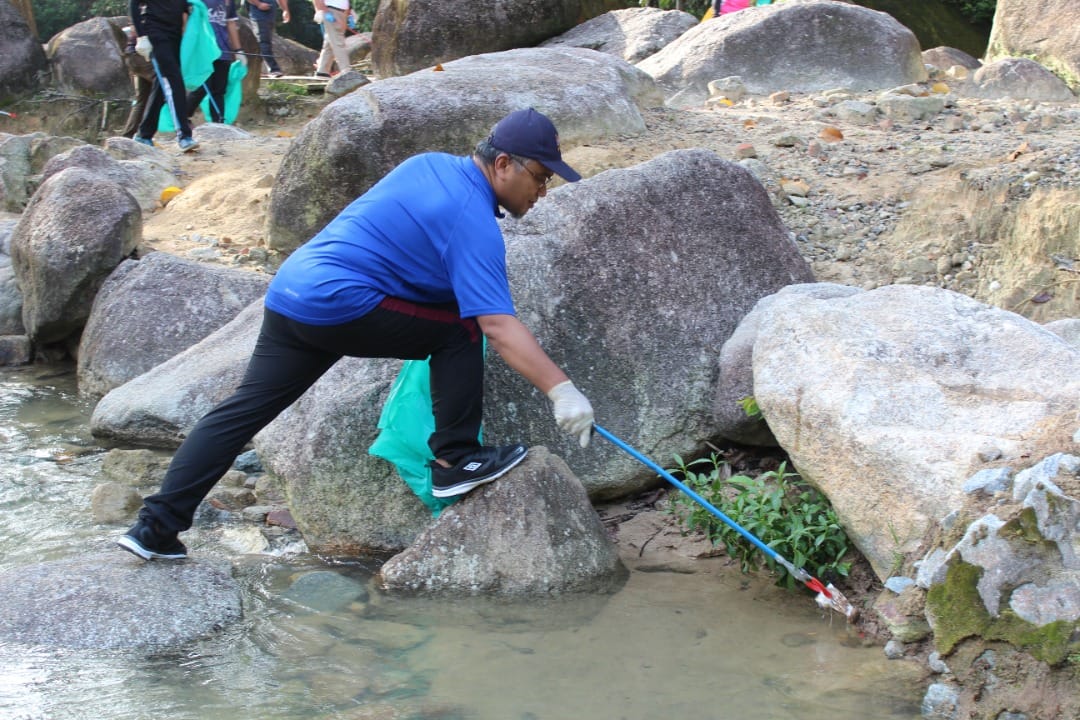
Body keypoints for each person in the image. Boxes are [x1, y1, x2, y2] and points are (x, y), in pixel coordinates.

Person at [117, 108, 597, 561]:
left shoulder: (428, 165)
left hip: (292, 293)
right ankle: (457, 461)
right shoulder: (472, 219)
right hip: (341, 302)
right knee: (461, 330)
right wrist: (562, 390)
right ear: (503, 164)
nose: (543, 191)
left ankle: (155, 529)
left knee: (242, 411)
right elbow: (495, 324)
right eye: (539, 176)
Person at [129, 0, 200, 152]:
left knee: (161, 85)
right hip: (155, 31)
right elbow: (133, 4)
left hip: (175, 34)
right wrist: (141, 37)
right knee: (173, 81)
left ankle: (144, 134)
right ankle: (184, 135)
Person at [186, 0, 245, 124]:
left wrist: (238, 50)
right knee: (201, 87)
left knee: (219, 90)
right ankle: (183, 117)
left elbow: (230, 24)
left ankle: (218, 122)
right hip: (202, 52)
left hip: (223, 51)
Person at [119, 25, 155, 138]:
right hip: (143, 57)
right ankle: (184, 128)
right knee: (167, 87)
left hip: (133, 56)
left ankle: (127, 136)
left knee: (142, 100)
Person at [246, 0, 289, 78]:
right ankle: (274, 69)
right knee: (263, 42)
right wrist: (258, 4)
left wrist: (285, 10)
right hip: (258, 14)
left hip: (270, 14)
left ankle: (260, 69)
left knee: (266, 42)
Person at [311, 0, 352, 78]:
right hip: (330, 10)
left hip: (342, 12)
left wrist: (348, 14)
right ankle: (346, 70)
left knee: (330, 41)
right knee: (338, 41)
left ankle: (322, 71)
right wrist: (325, 12)